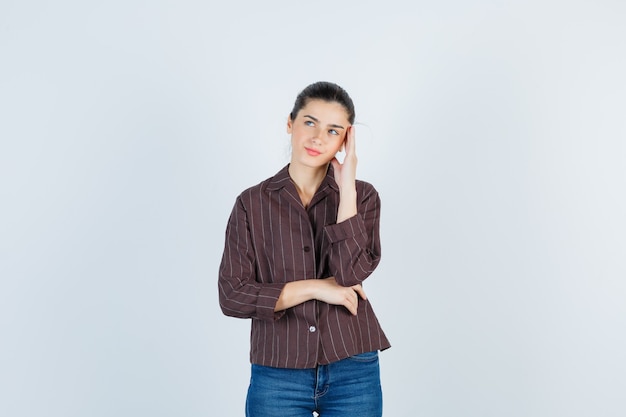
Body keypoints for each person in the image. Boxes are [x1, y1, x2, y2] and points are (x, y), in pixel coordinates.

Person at [218, 81, 390, 417]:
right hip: (278, 371)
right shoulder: (251, 204)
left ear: (346, 139)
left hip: (353, 364)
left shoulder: (363, 198)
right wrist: (317, 288)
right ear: (290, 123)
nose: (317, 138)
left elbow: (349, 273)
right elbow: (232, 295)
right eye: (309, 122)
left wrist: (348, 188)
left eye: (333, 130)